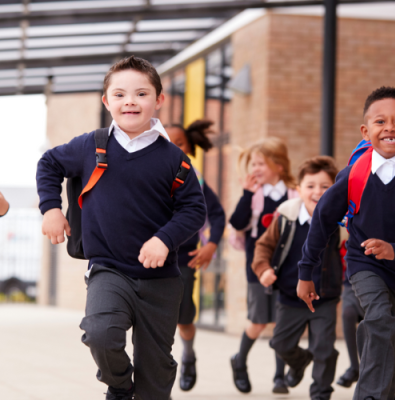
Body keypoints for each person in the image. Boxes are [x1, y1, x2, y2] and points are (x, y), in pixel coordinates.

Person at [36, 55, 207, 400]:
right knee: (100, 333)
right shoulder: (90, 145)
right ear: (107, 101)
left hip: (161, 279)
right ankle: (119, 385)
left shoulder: (175, 158)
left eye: (141, 94)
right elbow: (50, 163)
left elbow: (194, 209)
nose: (130, 101)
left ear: (159, 100)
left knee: (155, 374)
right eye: (120, 94)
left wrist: (164, 239)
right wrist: (51, 209)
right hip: (108, 269)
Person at [297, 86, 395, 400]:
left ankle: (382, 389)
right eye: (380, 121)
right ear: (365, 131)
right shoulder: (354, 174)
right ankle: (371, 396)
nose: (391, 128)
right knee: (381, 320)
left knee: (387, 333)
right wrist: (305, 273)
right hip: (365, 262)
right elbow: (322, 221)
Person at [252, 156, 342, 400]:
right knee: (280, 344)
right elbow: (263, 246)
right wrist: (264, 270)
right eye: (311, 186)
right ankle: (301, 360)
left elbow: (350, 248)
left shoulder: (340, 220)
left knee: (323, 348)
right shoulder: (286, 216)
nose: (317, 192)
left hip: (325, 297)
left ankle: (321, 392)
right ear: (299, 188)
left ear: (335, 190)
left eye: (326, 186)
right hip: (290, 296)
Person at [229, 138, 297, 394]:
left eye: (261, 163)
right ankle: (239, 361)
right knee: (258, 321)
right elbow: (237, 222)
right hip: (257, 266)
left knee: (282, 322)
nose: (255, 168)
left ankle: (279, 377)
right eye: (253, 164)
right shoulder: (254, 194)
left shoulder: (294, 193)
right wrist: (246, 194)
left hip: (287, 267)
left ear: (278, 165)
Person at [165, 121, 225, 392]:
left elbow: (218, 215)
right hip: (147, 256)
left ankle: (188, 354)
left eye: (179, 143)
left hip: (185, 257)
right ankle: (160, 366)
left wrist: (211, 245)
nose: (173, 148)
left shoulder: (195, 180)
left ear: (189, 149)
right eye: (166, 141)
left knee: (183, 317)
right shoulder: (145, 174)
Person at [336, 274, 364, 388]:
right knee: (348, 314)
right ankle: (354, 367)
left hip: (381, 280)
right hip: (351, 280)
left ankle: (368, 370)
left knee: (371, 323)